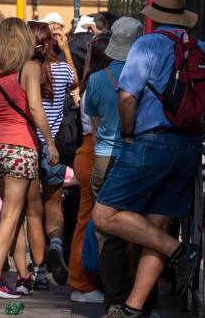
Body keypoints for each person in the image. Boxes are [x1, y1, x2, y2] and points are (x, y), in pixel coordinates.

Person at [92, 0, 205, 318]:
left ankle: (181, 251)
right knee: (154, 229)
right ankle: (133, 308)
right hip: (187, 148)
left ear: (154, 17)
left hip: (150, 144)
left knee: (104, 215)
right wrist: (198, 124)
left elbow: (127, 97)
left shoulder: (146, 45)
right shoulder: (200, 48)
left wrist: (129, 134)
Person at [0, 18, 58, 299]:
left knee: (10, 214)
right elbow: (34, 107)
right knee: (12, 214)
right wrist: (50, 143)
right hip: (20, 148)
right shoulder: (30, 67)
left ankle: (21, 276)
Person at [85, 17, 143, 310]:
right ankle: (141, 296)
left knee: (107, 229)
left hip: (105, 156)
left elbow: (95, 126)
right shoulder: (147, 77)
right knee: (140, 225)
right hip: (136, 156)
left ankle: (114, 299)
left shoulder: (96, 80)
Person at [24, 20, 78, 290]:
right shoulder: (62, 70)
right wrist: (66, 49)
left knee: (32, 210)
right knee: (53, 205)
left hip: (29, 143)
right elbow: (76, 81)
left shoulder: (24, 70)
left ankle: (39, 267)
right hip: (54, 147)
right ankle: (56, 242)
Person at [67, 33, 111, 303]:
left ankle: (82, 281)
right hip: (99, 151)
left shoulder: (90, 83)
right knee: (104, 220)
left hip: (87, 152)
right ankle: (84, 282)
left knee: (86, 219)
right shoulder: (104, 84)